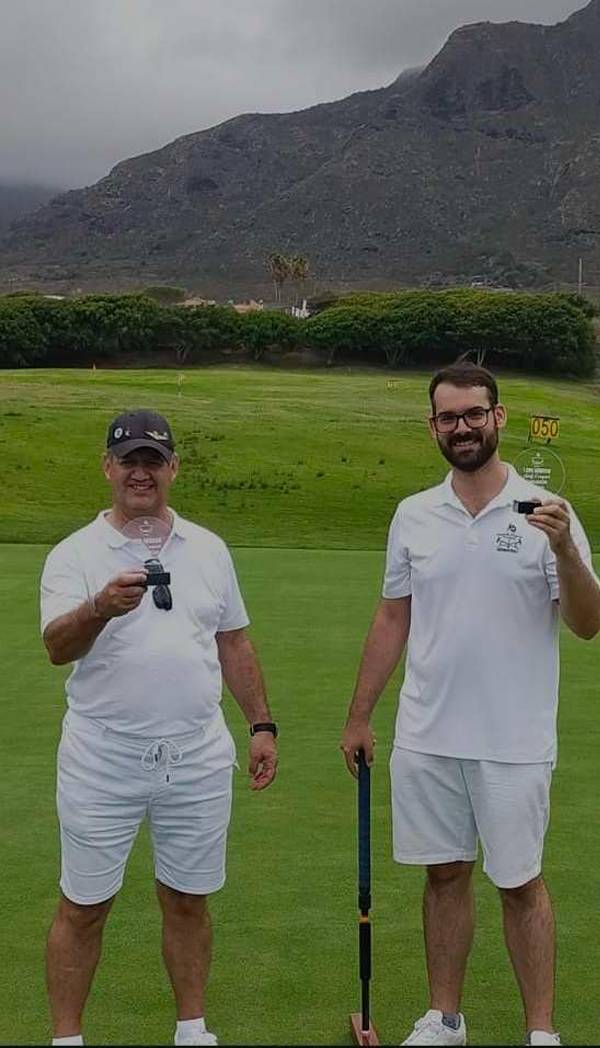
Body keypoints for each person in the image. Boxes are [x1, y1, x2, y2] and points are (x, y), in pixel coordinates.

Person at [341, 362, 600, 1047]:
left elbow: (588, 621)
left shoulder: (547, 513)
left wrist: (565, 550)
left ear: (499, 417)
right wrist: (360, 714)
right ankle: (444, 1019)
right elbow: (392, 618)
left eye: (474, 414)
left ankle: (540, 1032)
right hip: (427, 733)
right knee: (444, 875)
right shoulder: (413, 515)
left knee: (520, 883)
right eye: (449, 417)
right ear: (432, 426)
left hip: (513, 739)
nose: (462, 427)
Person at [40, 409, 278, 1048]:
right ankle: (67, 1038)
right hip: (102, 757)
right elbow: (57, 646)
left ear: (172, 468)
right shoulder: (75, 554)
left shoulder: (208, 548)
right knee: (84, 906)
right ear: (107, 468)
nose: (139, 471)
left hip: (197, 754)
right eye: (128, 460)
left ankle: (192, 1028)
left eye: (152, 460)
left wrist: (261, 723)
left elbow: (234, 641)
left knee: (188, 899)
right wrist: (98, 608)